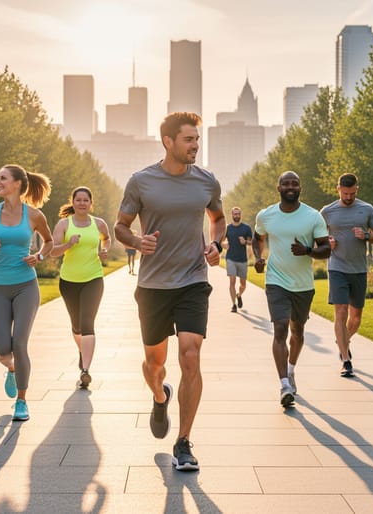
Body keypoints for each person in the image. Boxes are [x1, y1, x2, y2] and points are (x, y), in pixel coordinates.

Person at [114, 111, 225, 472]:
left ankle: (184, 442)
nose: (196, 145)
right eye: (189, 139)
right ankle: (160, 397)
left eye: (197, 139)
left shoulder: (206, 181)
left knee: (190, 355)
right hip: (153, 286)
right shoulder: (142, 181)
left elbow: (218, 218)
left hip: (193, 281)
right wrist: (136, 240)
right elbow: (120, 226)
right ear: (168, 142)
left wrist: (216, 244)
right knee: (154, 363)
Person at [0, 164, 53, 422]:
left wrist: (39, 255)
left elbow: (49, 241)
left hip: (25, 286)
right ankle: (11, 368)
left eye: (3, 178)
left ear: (17, 183)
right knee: (1, 349)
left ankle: (21, 401)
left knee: (19, 343)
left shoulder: (34, 215)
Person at [253, 171, 330, 408]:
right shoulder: (266, 215)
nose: (290, 187)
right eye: (286, 183)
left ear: (300, 188)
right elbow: (257, 238)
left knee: (297, 331)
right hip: (276, 281)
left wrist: (307, 250)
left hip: (303, 285)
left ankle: (291, 369)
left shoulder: (313, 216)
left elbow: (326, 249)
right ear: (278, 188)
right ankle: (284, 384)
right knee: (280, 329)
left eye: (294, 183)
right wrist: (258, 257)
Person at [320, 173, 373, 378]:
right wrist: (326, 243)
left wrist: (366, 235)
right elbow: (316, 238)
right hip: (337, 266)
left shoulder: (367, 209)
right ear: (338, 189)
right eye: (346, 193)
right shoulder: (327, 211)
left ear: (357, 189)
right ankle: (346, 360)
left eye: (353, 193)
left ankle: (342, 341)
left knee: (355, 318)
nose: (349, 197)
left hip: (359, 269)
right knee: (341, 311)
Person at [49, 186, 112, 389]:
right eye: (79, 200)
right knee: (76, 326)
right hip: (69, 282)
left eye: (86, 200)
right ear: (73, 202)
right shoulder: (64, 224)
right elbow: (52, 251)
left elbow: (107, 239)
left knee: (87, 323)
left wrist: (105, 250)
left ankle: (85, 370)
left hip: (93, 279)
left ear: (90, 203)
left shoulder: (99, 224)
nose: (82, 203)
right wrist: (69, 244)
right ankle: (82, 352)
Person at [224, 207, 253, 313]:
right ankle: (233, 305)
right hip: (230, 258)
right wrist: (224, 244)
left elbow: (251, 242)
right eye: (235, 214)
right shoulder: (227, 228)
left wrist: (245, 242)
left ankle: (239, 295)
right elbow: (221, 241)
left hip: (242, 260)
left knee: (243, 284)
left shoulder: (246, 228)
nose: (236, 216)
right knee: (232, 281)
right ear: (231, 215)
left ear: (240, 215)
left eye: (238, 214)